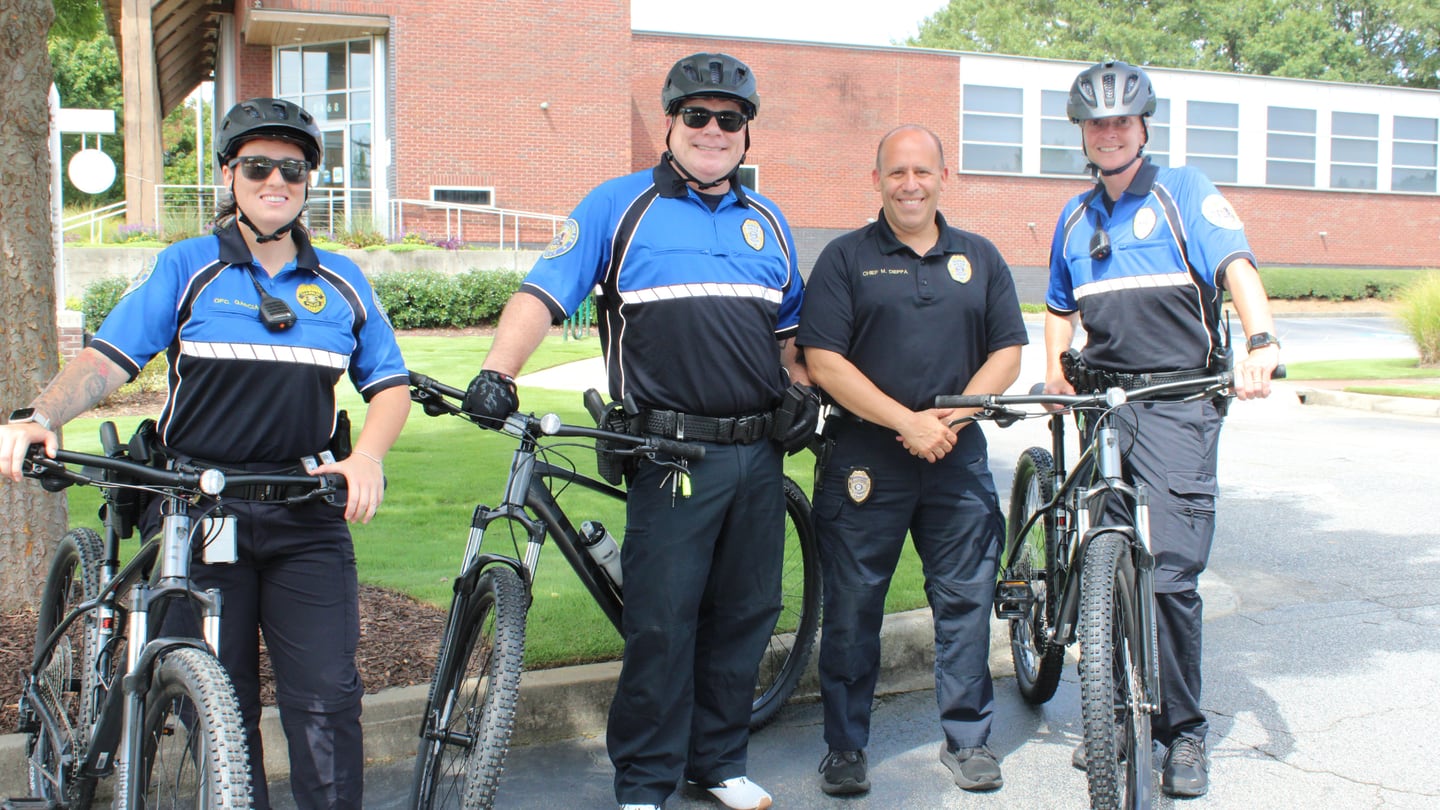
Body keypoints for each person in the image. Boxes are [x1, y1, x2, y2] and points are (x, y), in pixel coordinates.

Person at [1, 97, 411, 809]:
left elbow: (391, 384)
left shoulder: (342, 281)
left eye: (292, 166)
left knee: (328, 703)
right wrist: (42, 414)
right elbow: (107, 358)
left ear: (310, 178)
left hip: (305, 514)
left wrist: (367, 457)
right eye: (258, 164)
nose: (275, 179)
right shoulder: (187, 267)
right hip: (198, 512)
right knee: (218, 704)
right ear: (229, 174)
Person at [460, 53, 813, 810]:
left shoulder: (769, 220)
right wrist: (498, 369)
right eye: (697, 115)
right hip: (670, 454)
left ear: (746, 133)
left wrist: (806, 390)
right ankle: (646, 783)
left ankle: (717, 762)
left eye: (729, 119)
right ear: (670, 122)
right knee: (661, 624)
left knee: (748, 611)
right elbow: (541, 293)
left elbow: (790, 338)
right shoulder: (617, 206)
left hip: (759, 452)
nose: (712, 131)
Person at [1046, 61, 1280, 798]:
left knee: (1172, 574)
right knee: (1104, 564)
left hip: (1181, 400)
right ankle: (1113, 712)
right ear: (1083, 135)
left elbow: (1236, 267)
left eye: (1122, 121)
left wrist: (1263, 341)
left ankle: (1184, 730)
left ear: (1143, 127)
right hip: (1106, 404)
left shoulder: (1184, 192)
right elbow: (1059, 305)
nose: (1110, 133)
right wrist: (1057, 373)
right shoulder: (1076, 218)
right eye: (1097, 124)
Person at [797, 124, 1028, 797]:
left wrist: (949, 418)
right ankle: (844, 747)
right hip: (864, 462)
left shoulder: (980, 257)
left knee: (964, 602)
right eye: (896, 172)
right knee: (852, 607)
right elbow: (823, 361)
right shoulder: (844, 259)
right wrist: (906, 422)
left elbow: (1008, 352)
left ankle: (969, 740)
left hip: (956, 456)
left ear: (942, 177)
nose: (909, 184)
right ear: (877, 180)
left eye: (922, 172)